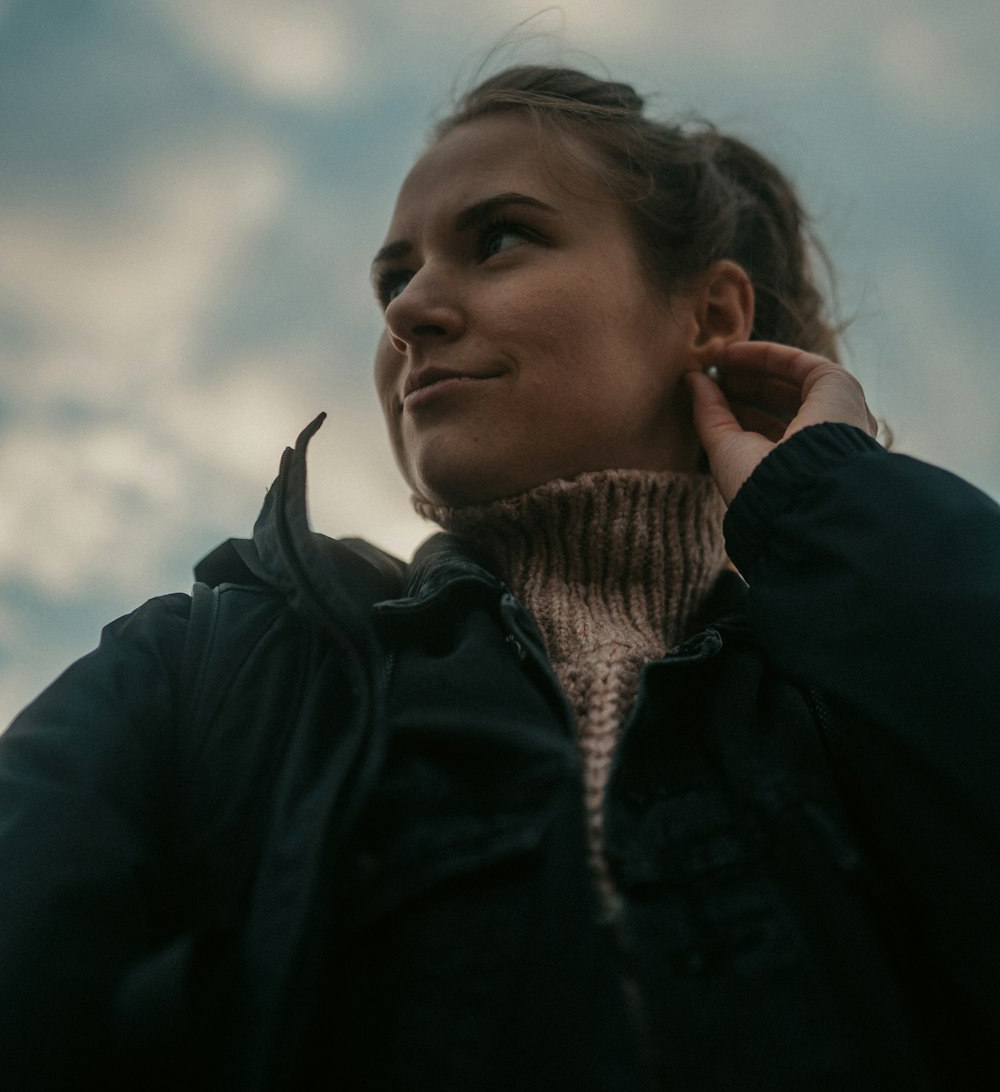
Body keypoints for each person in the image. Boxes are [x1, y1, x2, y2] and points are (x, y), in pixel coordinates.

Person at [1, 65, 999, 1091]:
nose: (412, 310)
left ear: (709, 315)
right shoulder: (209, 668)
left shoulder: (854, 685)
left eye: (499, 238)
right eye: (394, 279)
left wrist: (834, 506)